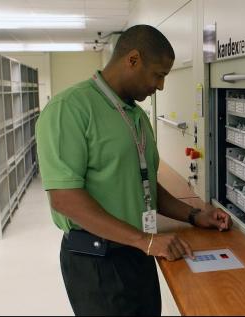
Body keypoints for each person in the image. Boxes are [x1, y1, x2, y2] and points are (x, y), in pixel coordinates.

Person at [35, 24, 232, 316]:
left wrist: (193, 215)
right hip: (97, 260)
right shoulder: (70, 109)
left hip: (138, 252)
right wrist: (145, 240)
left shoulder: (137, 116)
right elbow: (65, 199)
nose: (161, 86)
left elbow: (146, 185)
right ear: (133, 60)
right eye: (159, 74)